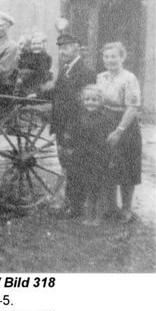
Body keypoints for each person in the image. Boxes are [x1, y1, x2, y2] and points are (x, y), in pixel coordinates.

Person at [33, 32, 96, 218]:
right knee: (66, 164)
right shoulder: (65, 68)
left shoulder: (85, 72)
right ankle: (71, 203)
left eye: (66, 47)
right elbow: (57, 91)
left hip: (74, 126)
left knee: (75, 165)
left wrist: (71, 128)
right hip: (61, 124)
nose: (62, 51)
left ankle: (75, 207)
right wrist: (36, 97)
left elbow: (81, 105)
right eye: (60, 47)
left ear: (77, 47)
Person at [96, 42, 142, 223]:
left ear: (122, 57)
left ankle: (127, 209)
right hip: (105, 123)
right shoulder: (100, 77)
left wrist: (119, 130)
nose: (110, 60)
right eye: (106, 57)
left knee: (127, 168)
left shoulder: (129, 78)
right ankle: (111, 206)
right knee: (108, 166)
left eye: (114, 56)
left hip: (125, 125)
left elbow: (132, 108)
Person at [64, 85, 116, 226]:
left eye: (94, 99)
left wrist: (110, 158)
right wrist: (69, 146)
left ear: (101, 101)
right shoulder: (80, 117)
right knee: (87, 187)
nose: (90, 102)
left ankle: (97, 217)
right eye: (87, 99)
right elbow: (72, 135)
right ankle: (88, 217)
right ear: (83, 101)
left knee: (97, 188)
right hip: (82, 156)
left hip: (99, 158)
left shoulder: (106, 119)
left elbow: (110, 142)